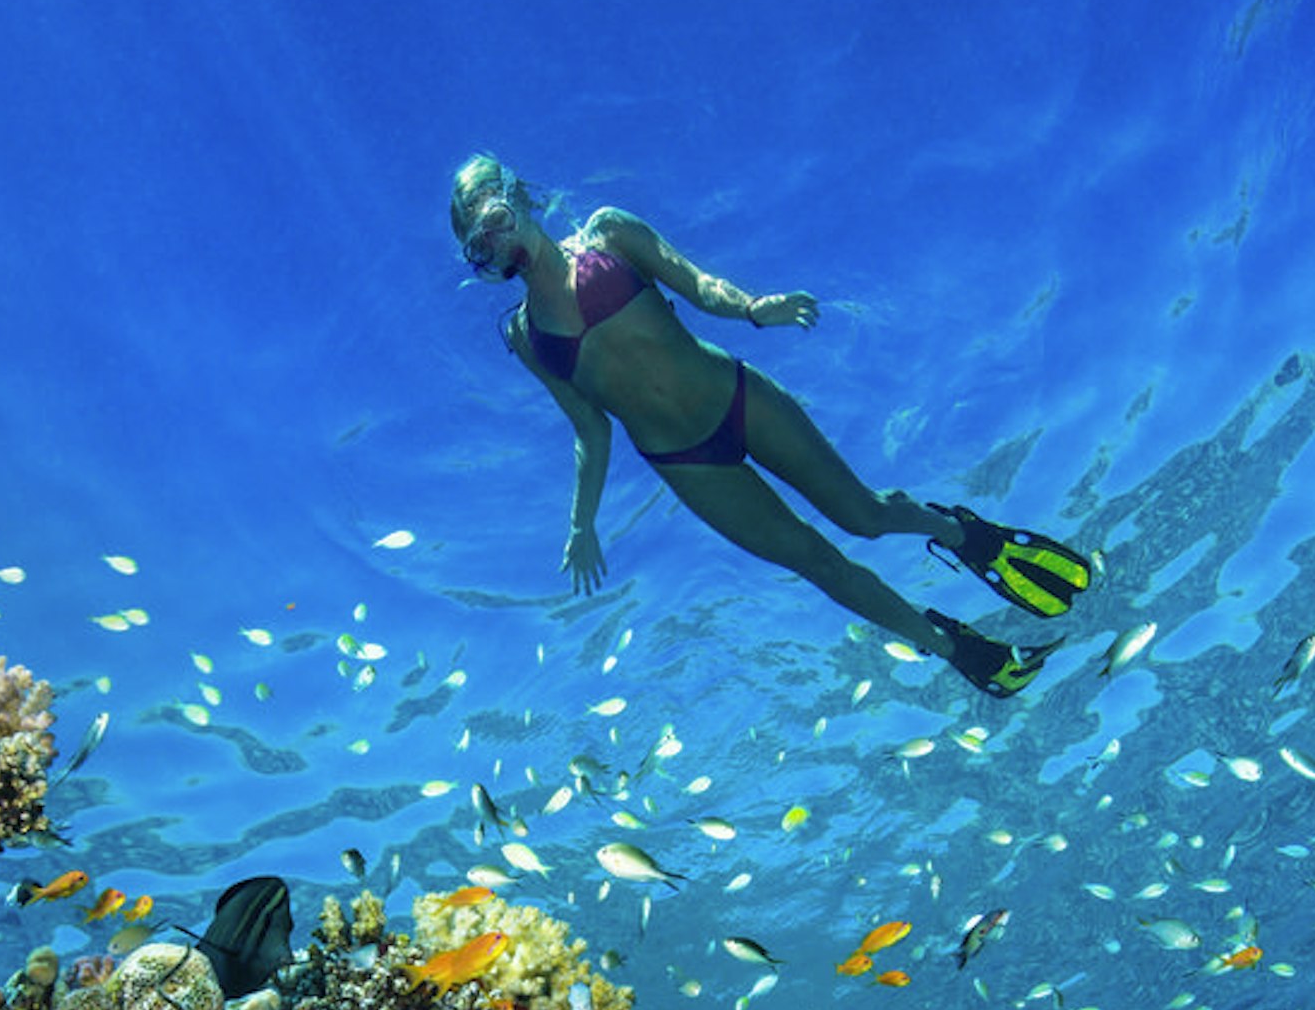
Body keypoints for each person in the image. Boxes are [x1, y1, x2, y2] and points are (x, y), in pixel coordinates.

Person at [447, 154, 1096, 698]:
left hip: (736, 396)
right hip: (686, 463)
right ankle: (950, 644)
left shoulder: (607, 235)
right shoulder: (526, 335)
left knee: (863, 515)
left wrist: (755, 309)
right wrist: (580, 522)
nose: (501, 246)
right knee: (816, 561)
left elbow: (697, 283)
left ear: (520, 198)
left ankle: (963, 533)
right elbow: (589, 429)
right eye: (482, 247)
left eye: (498, 222)